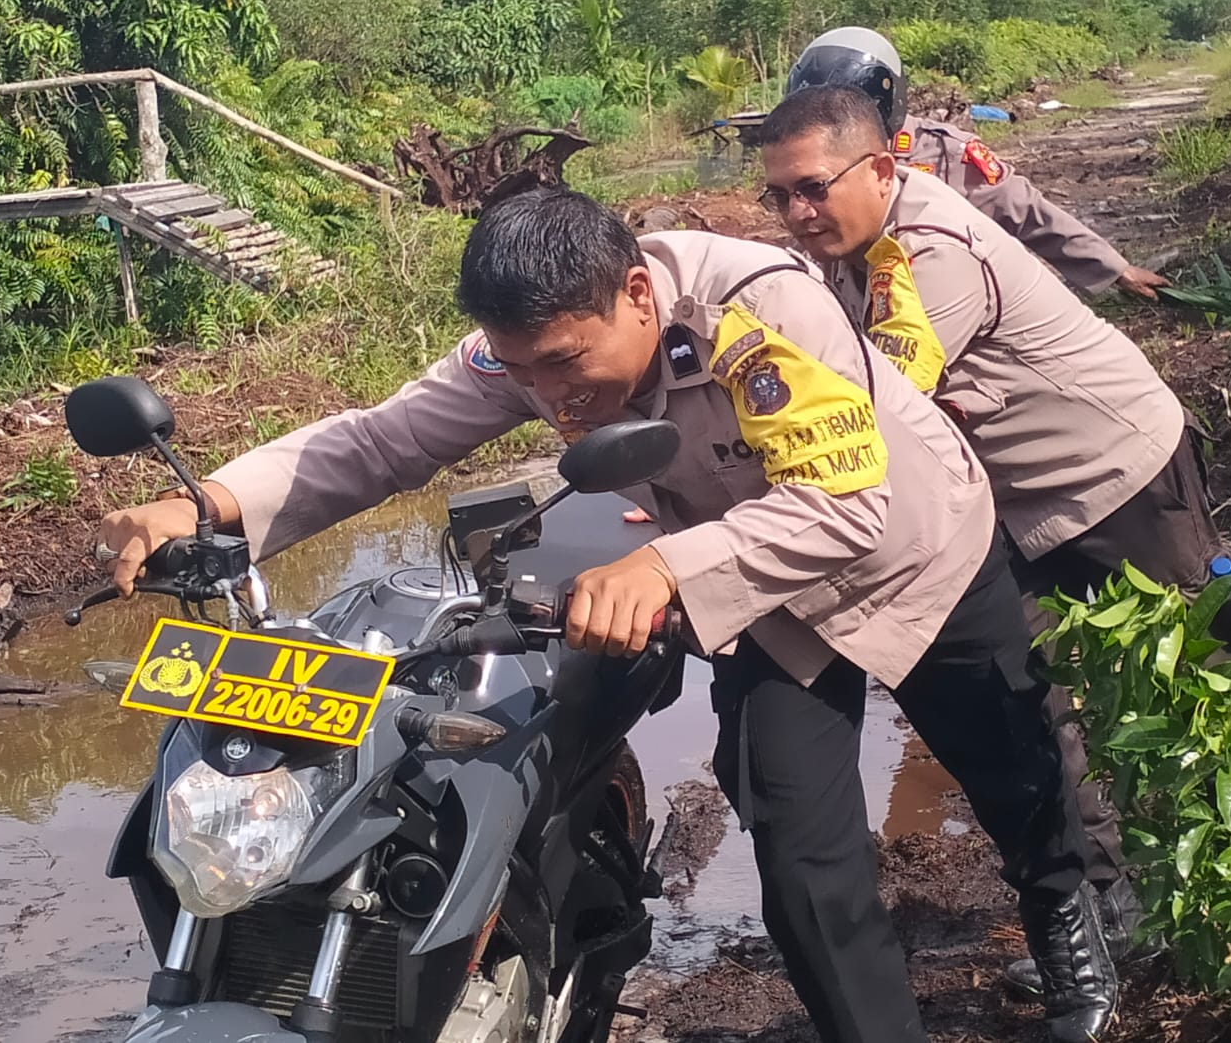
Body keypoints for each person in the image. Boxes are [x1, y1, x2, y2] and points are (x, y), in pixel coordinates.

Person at [96, 188, 1116, 1043]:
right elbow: (386, 440)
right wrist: (211, 501)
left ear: (638, 294)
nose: (547, 397)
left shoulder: (760, 314)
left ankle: (1067, 921)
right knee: (801, 856)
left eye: (565, 365)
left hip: (910, 547)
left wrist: (664, 567)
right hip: (760, 589)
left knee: (1010, 769)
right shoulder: (534, 346)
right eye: (522, 369)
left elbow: (844, 504)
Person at [758, 85, 1231, 997]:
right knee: (1042, 709)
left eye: (813, 189)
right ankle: (1114, 922)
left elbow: (869, 422)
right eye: (778, 196)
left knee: (1186, 692)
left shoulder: (931, 253)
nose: (797, 213)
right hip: (1011, 506)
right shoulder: (846, 253)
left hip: (1116, 477)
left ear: (880, 167)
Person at [786, 26, 1171, 300]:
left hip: (946, 303)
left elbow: (1026, 212)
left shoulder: (943, 154)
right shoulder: (802, 169)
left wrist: (1113, 269)